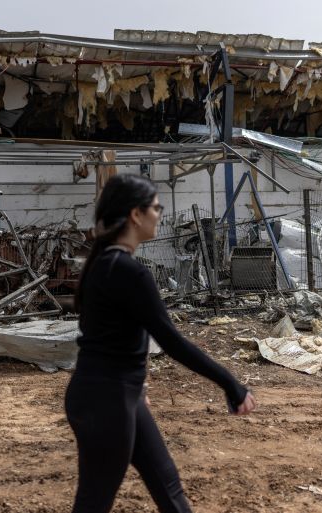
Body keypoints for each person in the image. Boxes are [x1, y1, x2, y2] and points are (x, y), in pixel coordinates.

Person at [65, 174, 256, 513]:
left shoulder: (104, 264)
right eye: (156, 207)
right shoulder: (126, 271)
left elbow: (114, 336)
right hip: (108, 400)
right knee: (93, 502)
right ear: (135, 215)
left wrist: (136, 385)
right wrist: (231, 384)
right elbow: (171, 341)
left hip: (114, 395)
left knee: (167, 486)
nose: (160, 214)